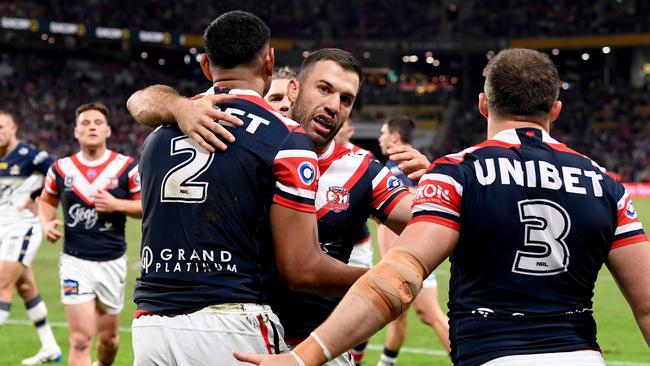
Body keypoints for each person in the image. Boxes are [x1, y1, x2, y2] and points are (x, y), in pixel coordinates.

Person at [233, 48, 650, 366]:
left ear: (484, 105)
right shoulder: (607, 184)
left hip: (491, 352)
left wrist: (304, 357)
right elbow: (646, 305)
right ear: (555, 110)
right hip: (581, 356)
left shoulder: (459, 174)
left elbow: (398, 279)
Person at [127, 46, 432, 365]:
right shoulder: (248, 146)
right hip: (237, 336)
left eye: (346, 99)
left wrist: (436, 185)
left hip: (316, 347)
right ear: (293, 90)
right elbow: (141, 101)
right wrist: (178, 107)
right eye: (324, 89)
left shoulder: (363, 171)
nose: (332, 106)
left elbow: (428, 223)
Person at [39, 102, 142, 366]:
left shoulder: (126, 167)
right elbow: (46, 202)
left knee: (109, 341)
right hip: (75, 263)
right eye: (85, 123)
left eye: (97, 122)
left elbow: (145, 206)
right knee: (81, 339)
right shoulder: (60, 169)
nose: (91, 127)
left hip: (112, 262)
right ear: (75, 131)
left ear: (108, 130)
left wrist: (117, 204)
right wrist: (46, 223)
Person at [375, 116, 451, 366]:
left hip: (409, 255)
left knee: (429, 314)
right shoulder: (418, 162)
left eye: (384, 133)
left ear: (395, 137)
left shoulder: (395, 170)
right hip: (417, 251)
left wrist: (389, 264)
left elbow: (394, 220)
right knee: (397, 316)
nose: (380, 138)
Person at [0, 111, 62, 365]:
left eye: (2, 126)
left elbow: (57, 175)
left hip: (23, 228)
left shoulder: (32, 156)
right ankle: (50, 347)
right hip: (3, 228)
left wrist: (38, 195)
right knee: (25, 287)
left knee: (2, 283)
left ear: (14, 128)